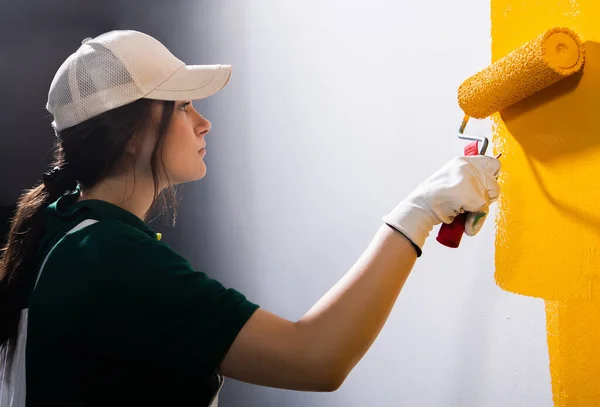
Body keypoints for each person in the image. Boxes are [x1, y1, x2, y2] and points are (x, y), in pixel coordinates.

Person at [0, 30, 501, 407]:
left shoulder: (63, 231)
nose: (204, 121)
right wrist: (417, 213)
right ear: (132, 131)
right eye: (184, 105)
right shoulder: (109, 258)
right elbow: (316, 358)